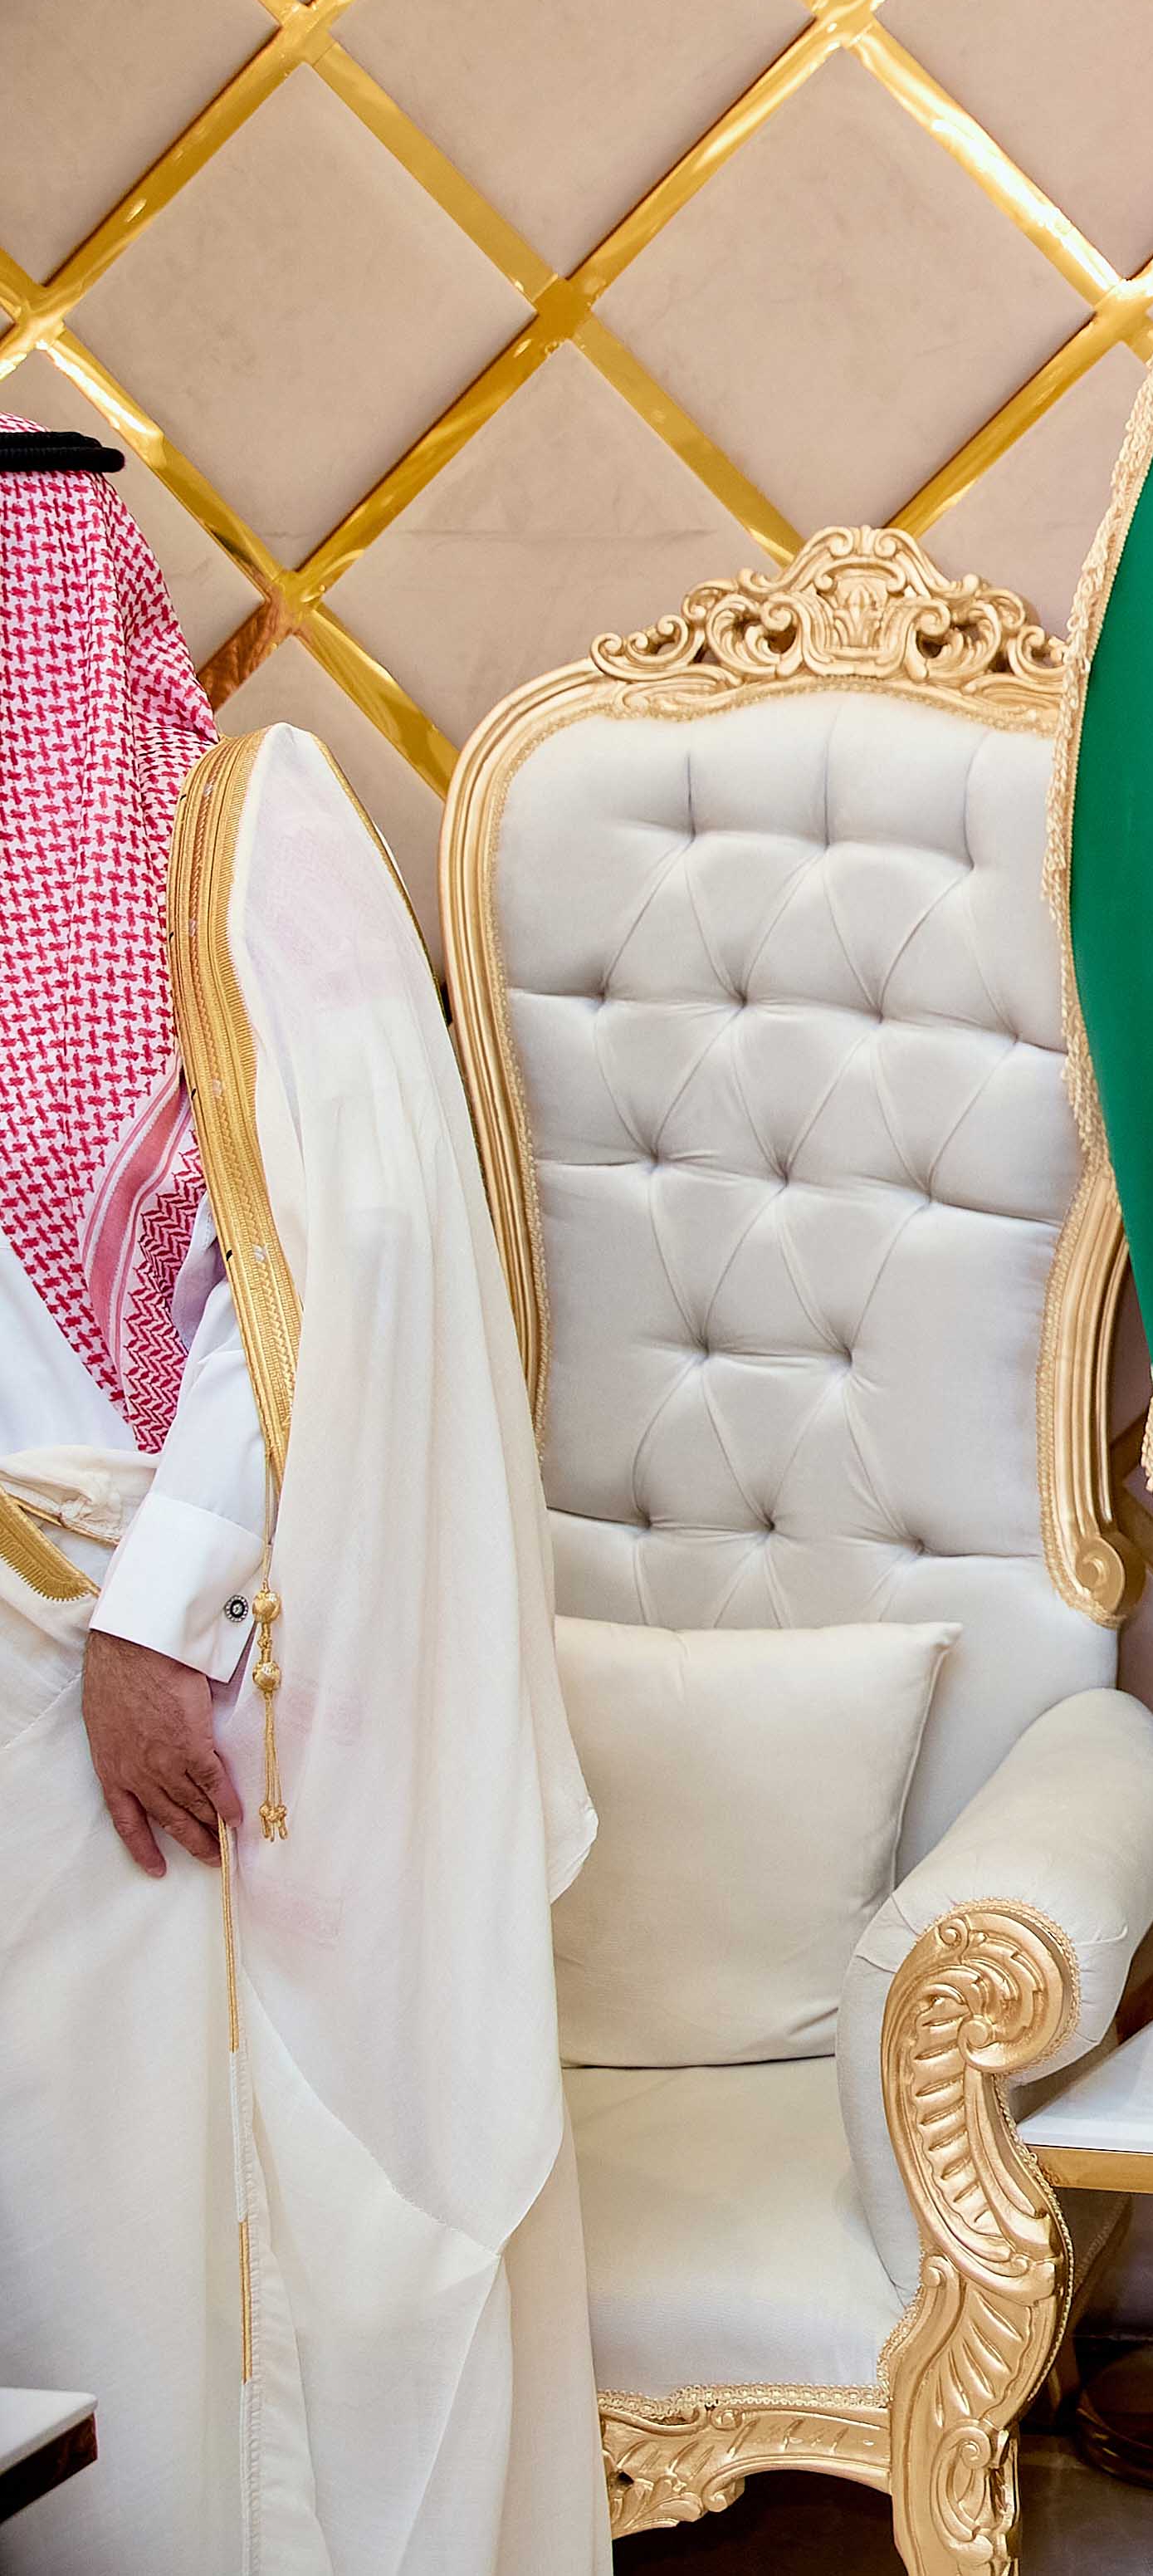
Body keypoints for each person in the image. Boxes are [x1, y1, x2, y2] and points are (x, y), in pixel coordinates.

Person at [0, 425, 602, 2576]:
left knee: (188, 2226)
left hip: (171, 1679)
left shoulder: (247, 860)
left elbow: (341, 1279)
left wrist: (153, 1616)